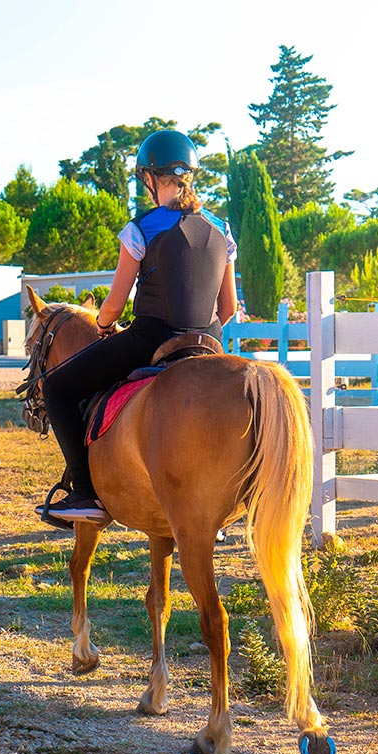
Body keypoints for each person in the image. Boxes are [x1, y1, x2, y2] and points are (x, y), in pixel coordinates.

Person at [37, 129, 238, 525]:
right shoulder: (222, 229)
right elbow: (228, 307)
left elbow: (113, 305)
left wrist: (104, 325)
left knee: (56, 388)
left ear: (149, 178)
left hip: (152, 339)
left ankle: (85, 494)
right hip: (208, 345)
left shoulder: (141, 228)